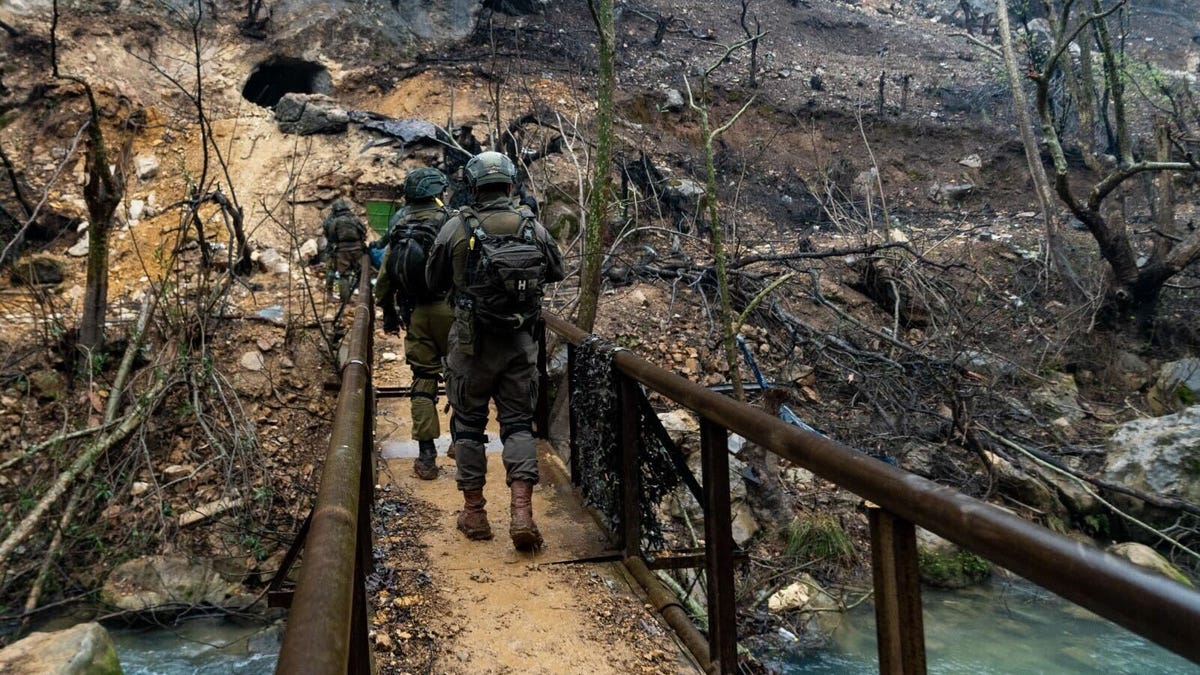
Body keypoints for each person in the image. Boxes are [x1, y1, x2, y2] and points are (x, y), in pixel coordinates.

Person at [426, 151, 564, 550]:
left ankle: (474, 513)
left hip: (471, 346)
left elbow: (432, 280)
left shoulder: (456, 226)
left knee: (468, 426)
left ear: (473, 187)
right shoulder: (531, 226)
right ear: (509, 185)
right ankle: (521, 513)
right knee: (519, 424)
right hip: (521, 344)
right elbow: (557, 271)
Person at [375, 167, 453, 480]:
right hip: (452, 310)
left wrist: (388, 310)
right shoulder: (451, 219)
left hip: (416, 312)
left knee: (423, 379)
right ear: (439, 191)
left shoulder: (399, 222)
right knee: (461, 375)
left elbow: (383, 277)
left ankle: (426, 456)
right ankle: (463, 441)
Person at [321, 198, 367, 297]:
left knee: (344, 275)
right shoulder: (355, 219)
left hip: (342, 251)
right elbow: (363, 231)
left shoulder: (334, 221)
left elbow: (331, 236)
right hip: (357, 249)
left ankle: (345, 298)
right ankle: (364, 297)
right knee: (361, 274)